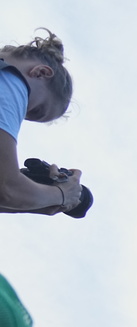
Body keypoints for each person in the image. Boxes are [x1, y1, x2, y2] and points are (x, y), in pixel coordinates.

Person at [0, 30, 84, 214]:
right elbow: (7, 188)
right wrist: (61, 194)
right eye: (33, 110)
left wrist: (37, 200)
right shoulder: (13, 82)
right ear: (41, 73)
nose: (19, 115)